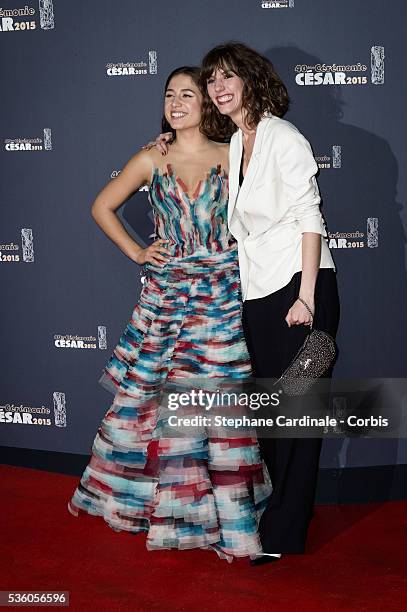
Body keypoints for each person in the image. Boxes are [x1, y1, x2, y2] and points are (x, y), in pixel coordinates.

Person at [67, 66, 271, 562]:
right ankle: (169, 508)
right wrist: (138, 253)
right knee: (153, 407)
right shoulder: (150, 158)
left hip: (220, 298)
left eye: (188, 94)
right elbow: (101, 206)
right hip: (167, 299)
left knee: (216, 410)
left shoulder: (234, 155)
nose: (176, 102)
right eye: (169, 95)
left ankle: (220, 516)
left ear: (207, 103)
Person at [198, 42, 340, 565]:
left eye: (228, 76)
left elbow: (310, 216)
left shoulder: (284, 136)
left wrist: (306, 297)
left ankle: (280, 535)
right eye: (211, 80)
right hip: (260, 294)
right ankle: (286, 513)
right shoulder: (238, 142)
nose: (218, 88)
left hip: (302, 290)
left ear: (253, 79)